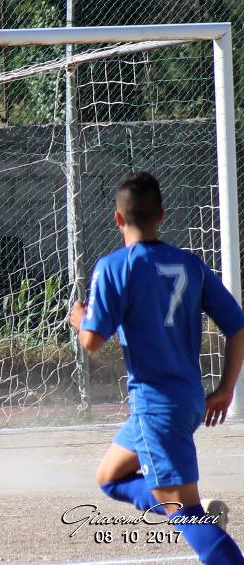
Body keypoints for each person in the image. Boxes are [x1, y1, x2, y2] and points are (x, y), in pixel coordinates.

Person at [69, 171, 244, 564]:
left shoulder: (115, 266)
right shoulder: (190, 264)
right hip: (188, 400)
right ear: (161, 215)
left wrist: (80, 318)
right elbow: (237, 325)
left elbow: (93, 341)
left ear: (117, 218)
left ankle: (194, 517)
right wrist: (227, 387)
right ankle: (189, 508)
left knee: (186, 514)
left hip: (155, 406)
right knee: (110, 477)